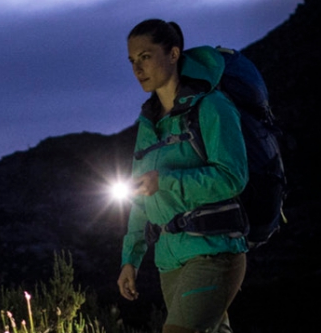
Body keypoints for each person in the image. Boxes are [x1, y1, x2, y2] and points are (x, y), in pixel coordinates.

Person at [116, 19, 249, 333]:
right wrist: (130, 258)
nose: (137, 68)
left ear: (173, 54)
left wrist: (165, 182)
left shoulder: (213, 107)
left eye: (146, 57)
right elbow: (138, 196)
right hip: (170, 261)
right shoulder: (149, 125)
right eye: (132, 61)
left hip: (214, 251)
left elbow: (232, 177)